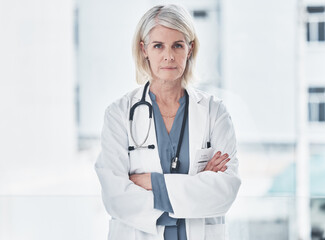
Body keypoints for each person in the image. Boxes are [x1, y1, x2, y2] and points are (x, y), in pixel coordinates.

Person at [95, 4, 241, 240]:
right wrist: (194, 186)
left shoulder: (215, 112)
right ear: (144, 50)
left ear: (190, 49)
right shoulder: (119, 114)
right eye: (158, 46)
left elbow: (224, 191)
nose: (169, 56)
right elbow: (116, 197)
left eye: (178, 45)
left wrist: (153, 183)